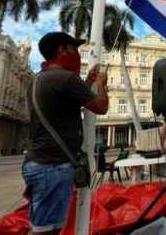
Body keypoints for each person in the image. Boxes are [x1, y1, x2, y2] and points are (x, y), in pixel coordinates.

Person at [22, 32, 109, 235]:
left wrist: (86, 82)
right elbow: (101, 106)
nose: (78, 54)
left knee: (42, 225)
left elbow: (67, 105)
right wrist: (101, 85)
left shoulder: (40, 79)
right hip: (53, 167)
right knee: (46, 230)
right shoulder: (66, 78)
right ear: (62, 51)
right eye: (74, 49)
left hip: (39, 163)